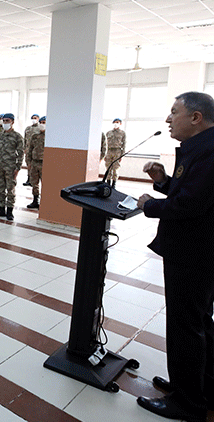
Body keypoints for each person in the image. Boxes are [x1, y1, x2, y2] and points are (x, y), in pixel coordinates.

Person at [135, 92, 214, 422]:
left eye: (173, 113)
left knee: (186, 326)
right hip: (197, 249)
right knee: (199, 324)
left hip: (194, 252)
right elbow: (189, 193)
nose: (168, 119)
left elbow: (190, 205)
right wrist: (164, 182)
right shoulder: (200, 148)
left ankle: (188, 403)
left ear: (195, 118)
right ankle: (198, 387)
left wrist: (147, 205)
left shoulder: (209, 152)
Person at [0, 113, 24, 220]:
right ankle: (1, 208)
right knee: (0, 188)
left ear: (12, 122)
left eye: (7, 121)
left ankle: (9, 211)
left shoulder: (17, 136)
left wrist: (18, 168)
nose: (5, 123)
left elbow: (21, 153)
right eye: (4, 121)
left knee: (10, 189)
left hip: (10, 167)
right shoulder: (0, 135)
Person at [26, 116, 46, 209]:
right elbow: (30, 149)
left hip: (44, 163)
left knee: (45, 184)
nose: (42, 124)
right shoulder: (35, 136)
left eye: (44, 122)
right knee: (34, 183)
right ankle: (35, 200)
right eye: (41, 122)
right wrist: (29, 162)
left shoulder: (50, 137)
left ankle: (44, 202)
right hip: (34, 162)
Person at [103, 118, 126, 185]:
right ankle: (108, 183)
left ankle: (114, 184)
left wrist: (122, 155)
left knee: (115, 169)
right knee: (108, 168)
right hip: (109, 151)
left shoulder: (122, 133)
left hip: (117, 151)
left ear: (120, 123)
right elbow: (105, 144)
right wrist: (104, 154)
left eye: (117, 122)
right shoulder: (108, 133)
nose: (116, 123)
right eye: (114, 122)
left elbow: (124, 144)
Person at [22, 113, 40, 186]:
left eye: (35, 118)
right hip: (28, 150)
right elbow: (25, 139)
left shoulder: (40, 128)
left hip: (36, 151)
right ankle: (29, 179)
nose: (34, 119)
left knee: (35, 167)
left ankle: (34, 181)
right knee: (28, 165)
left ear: (38, 119)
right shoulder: (28, 128)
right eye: (32, 118)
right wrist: (24, 149)